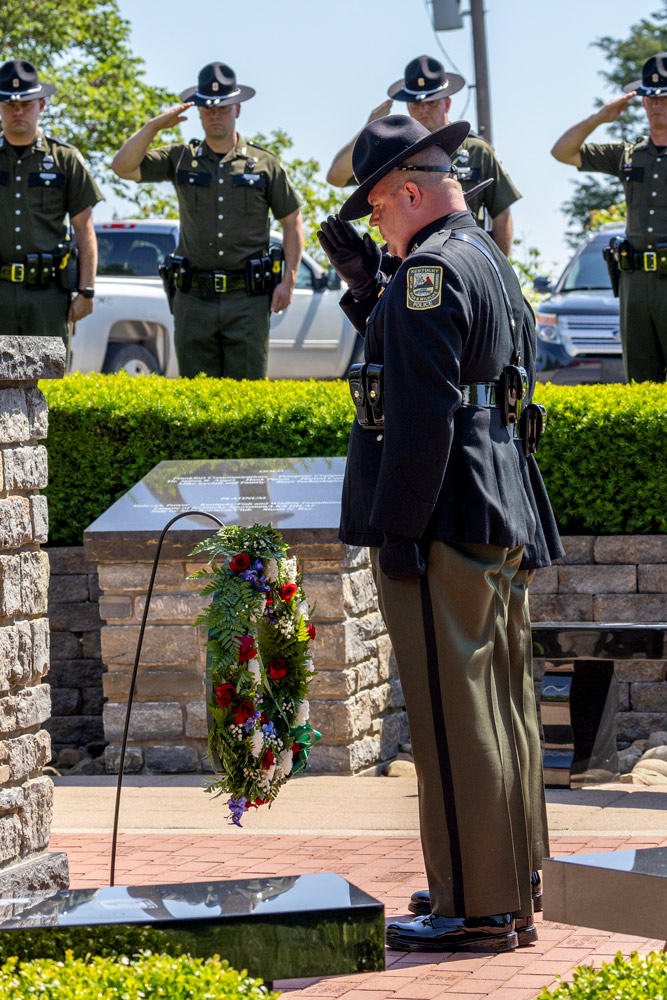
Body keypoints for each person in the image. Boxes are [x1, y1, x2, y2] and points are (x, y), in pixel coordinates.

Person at [317, 115, 559, 953]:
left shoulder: (425, 271)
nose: (373, 225)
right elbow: (455, 366)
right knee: (500, 703)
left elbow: (419, 412)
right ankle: (510, 873)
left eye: (376, 209)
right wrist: (366, 286)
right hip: (496, 505)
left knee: (453, 718)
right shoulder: (482, 257)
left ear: (409, 193)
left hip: (443, 514)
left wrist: (396, 529)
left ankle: (474, 905)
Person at [111, 62, 303, 379]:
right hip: (194, 300)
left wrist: (289, 279)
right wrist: (154, 127)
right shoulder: (181, 157)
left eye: (223, 108)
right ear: (198, 111)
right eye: (207, 108)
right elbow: (122, 167)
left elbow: (292, 221)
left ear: (237, 108)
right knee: (196, 400)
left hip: (247, 300)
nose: (215, 115)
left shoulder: (263, 164)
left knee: (247, 399)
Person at [326, 55, 520, 256]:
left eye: (432, 102)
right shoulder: (394, 155)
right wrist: (368, 131)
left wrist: (496, 266)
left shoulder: (476, 150)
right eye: (417, 104)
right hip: (408, 260)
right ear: (408, 107)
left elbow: (502, 214)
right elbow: (335, 177)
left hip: (463, 255)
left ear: (447, 104)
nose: (424, 110)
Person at [551, 52, 667, 382]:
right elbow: (562, 152)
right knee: (641, 382)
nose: (657, 104)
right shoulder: (628, 155)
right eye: (651, 97)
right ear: (642, 102)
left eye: (664, 96)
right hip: (633, 283)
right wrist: (600, 118)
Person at [0, 59, 102, 345]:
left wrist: (87, 291)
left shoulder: (65, 159)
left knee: (48, 383)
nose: (17, 111)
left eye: (26, 104)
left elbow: (84, 229)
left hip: (47, 295)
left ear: (42, 105)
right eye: (9, 104)